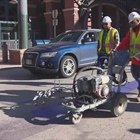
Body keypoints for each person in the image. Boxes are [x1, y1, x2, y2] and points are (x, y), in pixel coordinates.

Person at [116, 11, 140, 102]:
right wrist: (117, 50)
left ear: (138, 20)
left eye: (132, 22)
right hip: (134, 59)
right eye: (130, 23)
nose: (131, 24)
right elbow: (125, 42)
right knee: (135, 76)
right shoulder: (131, 31)